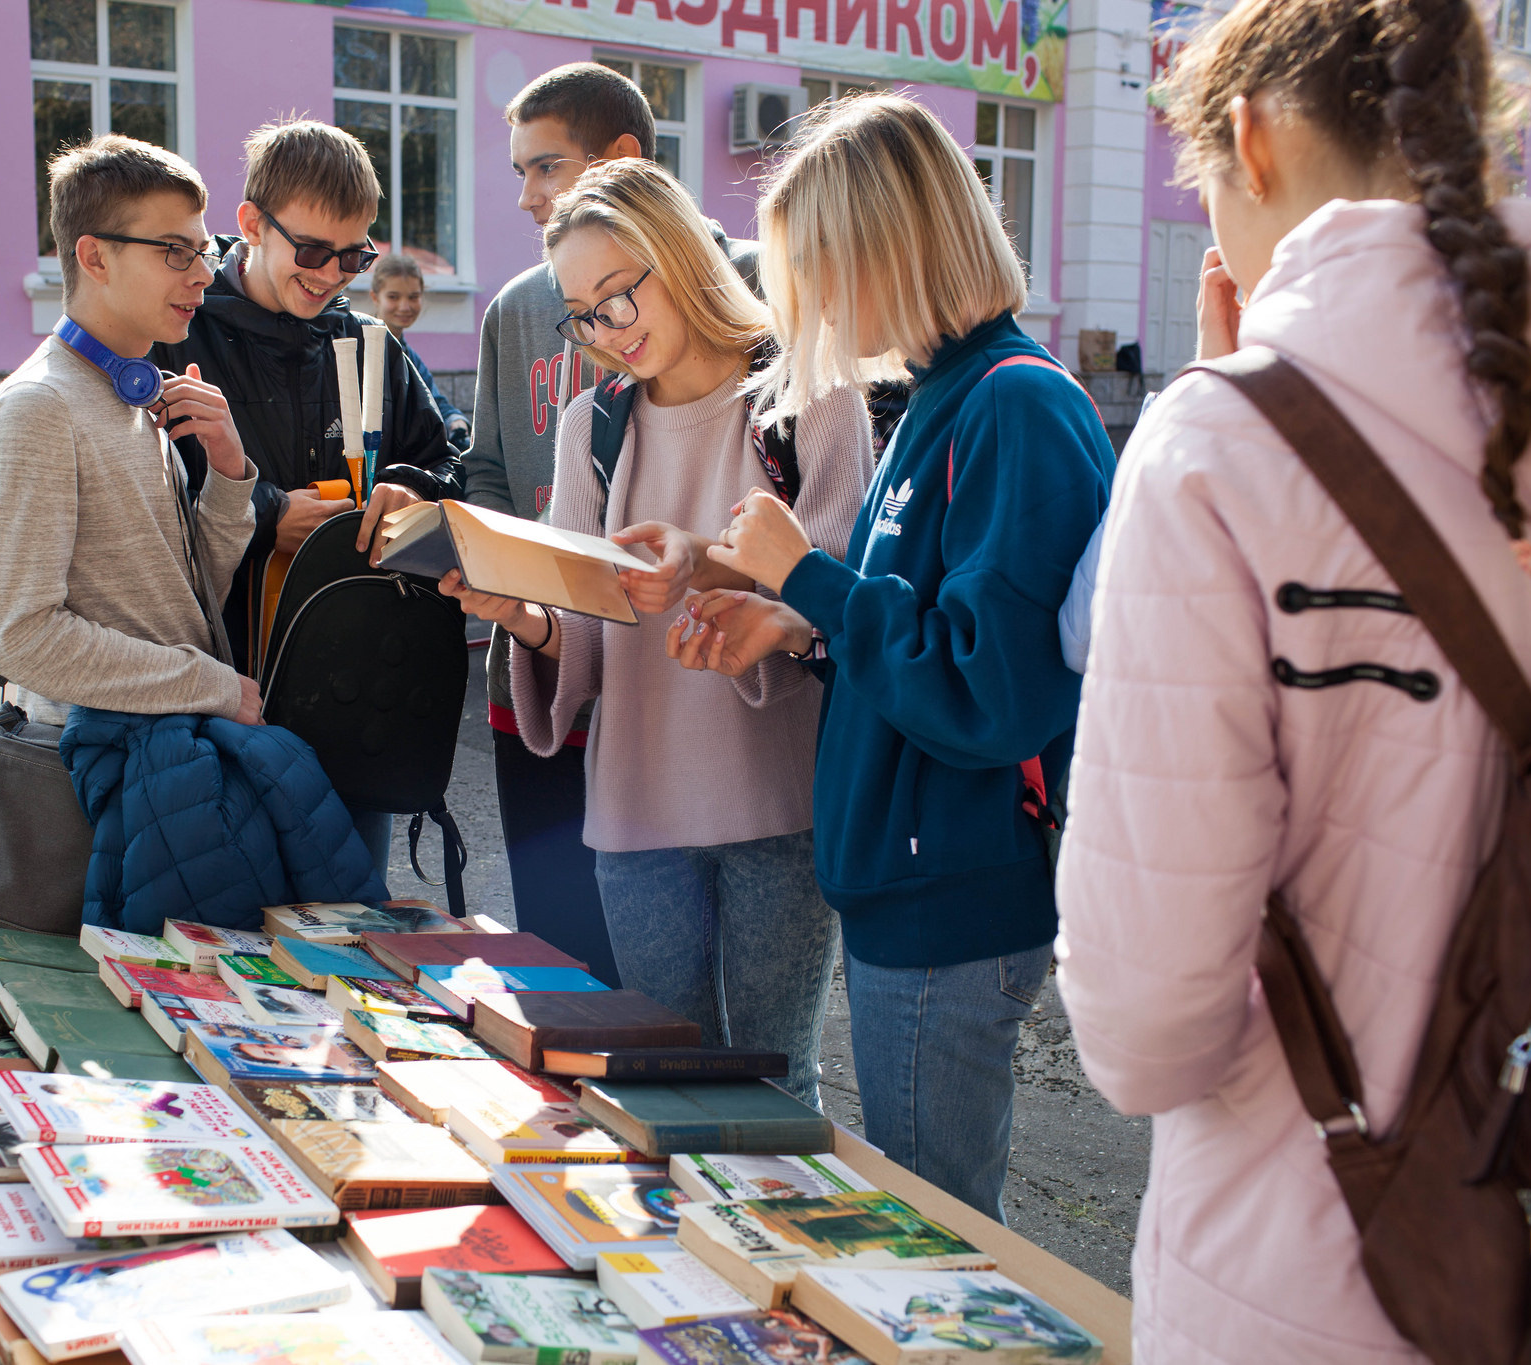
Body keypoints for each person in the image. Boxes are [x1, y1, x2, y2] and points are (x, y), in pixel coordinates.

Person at [1052, 0, 1531, 1352]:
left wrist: (1238, 385)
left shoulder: (1226, 449)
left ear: (1250, 137)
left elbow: (1145, 1025)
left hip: (1318, 1268)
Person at [676, 95, 1113, 1216]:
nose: (801, 303)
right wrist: (800, 628)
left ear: (887, 247)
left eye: (812, 267)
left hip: (951, 897)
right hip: (913, 886)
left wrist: (804, 579)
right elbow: (920, 636)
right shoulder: (943, 398)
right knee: (937, 1226)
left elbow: (985, 693)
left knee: (945, 1238)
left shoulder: (1013, 406)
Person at [444, 159, 872, 1105]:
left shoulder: (813, 397)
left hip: (782, 803)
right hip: (636, 810)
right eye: (583, 312)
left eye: (618, 293)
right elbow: (582, 631)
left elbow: (844, 602)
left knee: (775, 1083)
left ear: (680, 256)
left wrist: (722, 577)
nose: (606, 329)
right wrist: (523, 613)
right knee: (663, 1083)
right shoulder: (587, 426)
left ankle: (775, 1255)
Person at [463, 63, 760, 986]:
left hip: (709, 686)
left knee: (734, 1023)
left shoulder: (755, 281)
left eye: (544, 168)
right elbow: (491, 465)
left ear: (620, 160)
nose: (525, 196)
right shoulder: (519, 309)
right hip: (562, 664)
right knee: (568, 967)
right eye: (517, 172)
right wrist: (525, 582)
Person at [0, 134, 260, 730]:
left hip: (163, 750)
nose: (204, 274)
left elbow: (185, 602)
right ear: (95, 258)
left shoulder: (133, 391)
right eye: (176, 250)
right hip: (89, 770)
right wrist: (211, 685)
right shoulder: (38, 409)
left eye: (204, 250)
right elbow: (20, 637)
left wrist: (228, 470)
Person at [152, 118, 459, 673]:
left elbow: (448, 464)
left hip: (363, 662)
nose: (333, 275)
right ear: (253, 224)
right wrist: (268, 515)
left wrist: (411, 490)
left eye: (353, 257)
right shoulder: (176, 334)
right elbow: (145, 511)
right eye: (314, 251)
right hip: (225, 664)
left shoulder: (371, 343)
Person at [369, 253, 470, 450]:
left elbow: (434, 401)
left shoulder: (409, 356)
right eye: (393, 297)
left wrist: (455, 420)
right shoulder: (362, 348)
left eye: (413, 297)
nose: (404, 306)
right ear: (375, 297)